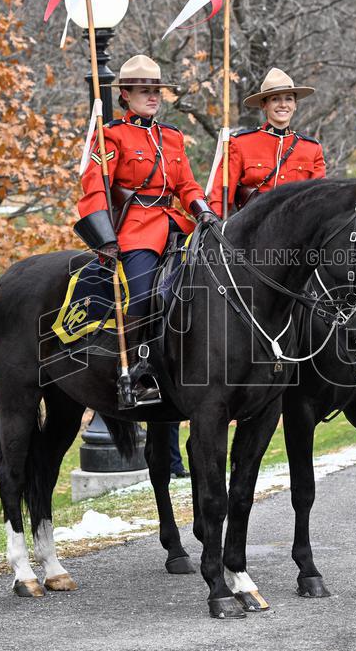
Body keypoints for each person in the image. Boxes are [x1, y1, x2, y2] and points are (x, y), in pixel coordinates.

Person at [73, 55, 217, 409]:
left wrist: (203, 211)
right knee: (141, 294)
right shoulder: (111, 135)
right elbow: (94, 187)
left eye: (156, 91)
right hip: (137, 228)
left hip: (177, 223)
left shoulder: (172, 136)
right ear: (125, 94)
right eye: (144, 91)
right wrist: (104, 239)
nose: (153, 97)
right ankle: (135, 372)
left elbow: (186, 185)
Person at [209, 68, 326, 215]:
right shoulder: (242, 143)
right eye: (275, 99)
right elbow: (221, 194)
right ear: (264, 104)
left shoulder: (312, 148)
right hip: (253, 223)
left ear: (295, 105)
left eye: (289, 99)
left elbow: (319, 198)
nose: (283, 105)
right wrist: (215, 220)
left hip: (298, 223)